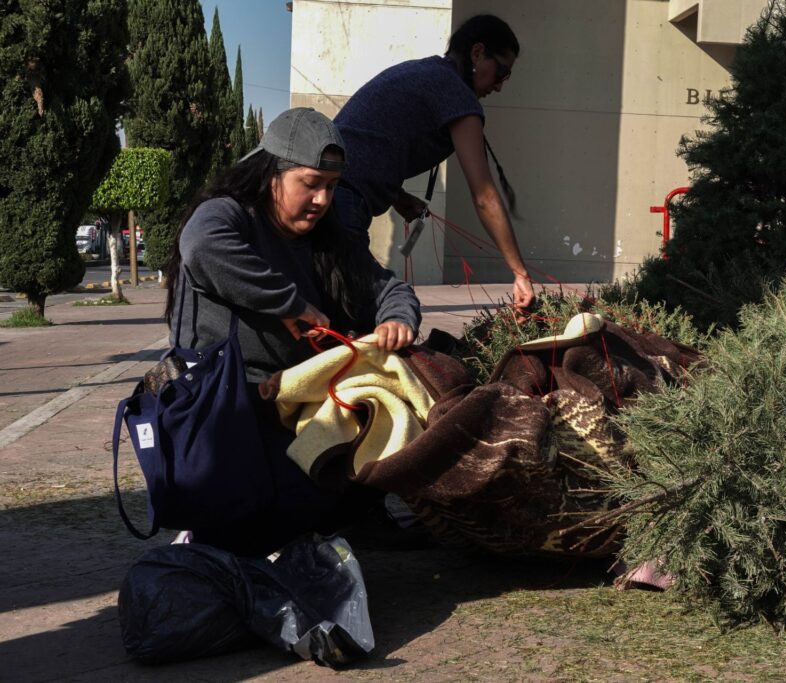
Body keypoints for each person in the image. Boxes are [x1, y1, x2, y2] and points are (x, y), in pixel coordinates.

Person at [163, 107, 421, 556]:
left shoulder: (328, 239)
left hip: (294, 404)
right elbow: (201, 247)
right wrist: (289, 304)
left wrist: (397, 319)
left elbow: (389, 288)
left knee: (368, 441)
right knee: (274, 509)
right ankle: (207, 532)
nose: (322, 200)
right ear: (271, 175)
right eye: (311, 184)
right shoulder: (228, 215)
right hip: (226, 402)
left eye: (332, 187)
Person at [332, 13, 535, 314]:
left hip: (323, 188)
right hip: (340, 200)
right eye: (501, 72)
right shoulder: (456, 93)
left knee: (334, 309)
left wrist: (396, 197)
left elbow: (371, 141)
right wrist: (520, 273)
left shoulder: (427, 72)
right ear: (477, 53)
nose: (500, 86)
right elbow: (484, 195)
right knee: (362, 315)